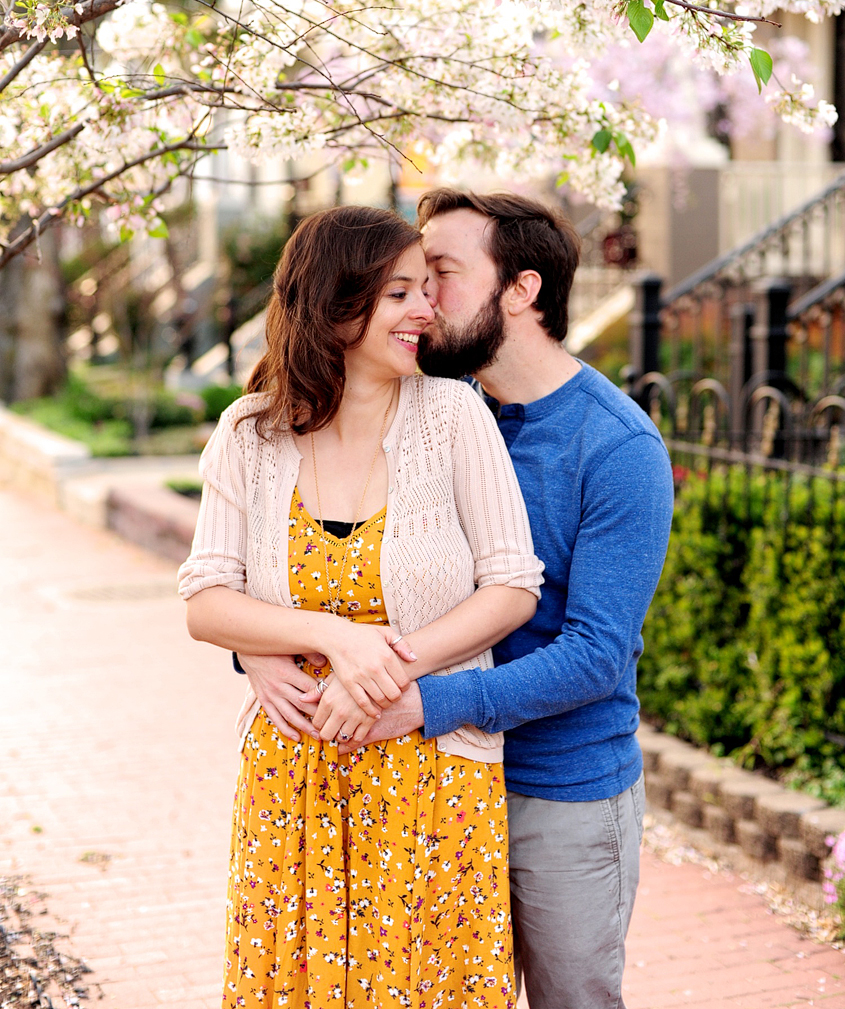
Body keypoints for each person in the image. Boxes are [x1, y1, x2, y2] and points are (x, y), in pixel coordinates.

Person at [240, 190, 674, 1009]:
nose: (422, 301)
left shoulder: (617, 448)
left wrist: (426, 702)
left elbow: (596, 653)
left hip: (557, 793)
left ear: (522, 290)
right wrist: (258, 648)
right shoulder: (436, 412)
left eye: (439, 274)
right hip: (427, 778)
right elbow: (326, 564)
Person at [178, 205, 543, 1009]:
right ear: (335, 305)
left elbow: (514, 584)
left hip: (434, 772)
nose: (426, 311)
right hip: (292, 779)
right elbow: (206, 599)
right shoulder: (250, 431)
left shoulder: (454, 417)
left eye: (426, 289)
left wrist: (381, 670)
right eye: (398, 294)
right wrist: (326, 637)